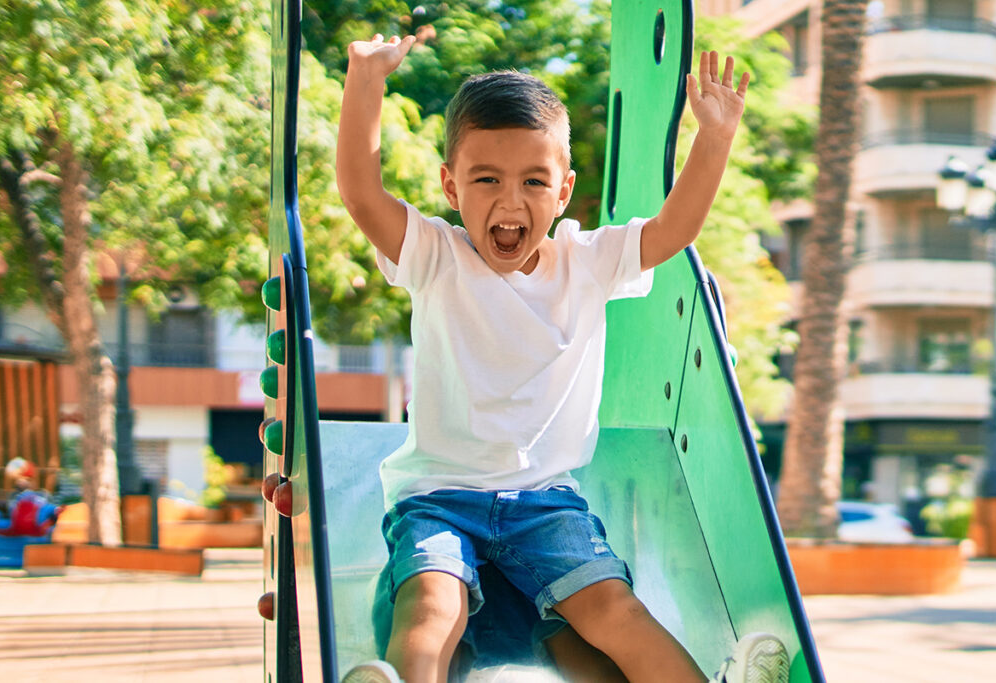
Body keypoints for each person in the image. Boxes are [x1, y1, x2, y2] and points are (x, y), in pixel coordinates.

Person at [335, 32, 787, 683]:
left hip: (544, 499)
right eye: (485, 179)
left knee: (612, 609)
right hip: (438, 494)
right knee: (434, 605)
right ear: (450, 186)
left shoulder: (587, 261)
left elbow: (673, 230)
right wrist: (366, 79)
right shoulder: (436, 256)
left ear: (564, 188)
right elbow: (360, 192)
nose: (510, 201)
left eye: (533, 181)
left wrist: (712, 138)